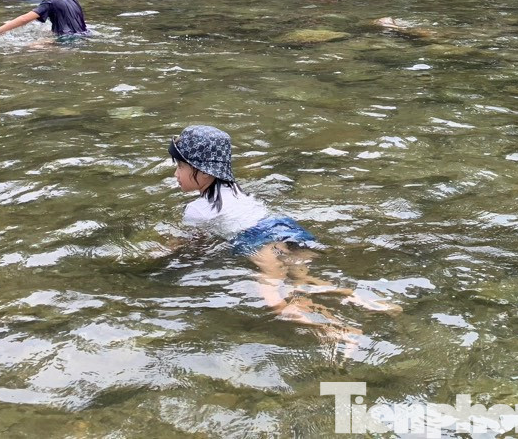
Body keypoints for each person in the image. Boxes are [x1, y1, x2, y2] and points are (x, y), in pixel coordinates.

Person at [166, 125, 396, 340]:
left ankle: (339, 332)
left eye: (180, 166)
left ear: (205, 173)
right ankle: (362, 298)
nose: (176, 173)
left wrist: (164, 253)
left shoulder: (196, 210)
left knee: (274, 298)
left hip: (258, 240)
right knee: (305, 278)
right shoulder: (239, 193)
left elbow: (191, 244)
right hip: (284, 227)